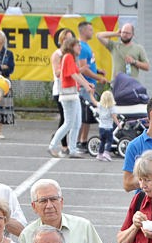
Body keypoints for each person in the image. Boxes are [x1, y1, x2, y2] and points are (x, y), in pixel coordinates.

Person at [17, 178, 107, 243]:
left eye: (54, 199)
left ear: (61, 202)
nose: (49, 205)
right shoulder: (27, 235)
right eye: (43, 201)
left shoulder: (83, 227)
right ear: (34, 206)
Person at [47, 36, 99, 159]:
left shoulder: (71, 58)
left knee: (76, 123)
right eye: (77, 45)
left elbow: (78, 73)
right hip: (68, 94)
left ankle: (72, 149)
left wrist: (87, 84)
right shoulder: (68, 57)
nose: (80, 47)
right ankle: (53, 145)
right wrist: (86, 85)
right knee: (69, 122)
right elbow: (73, 74)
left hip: (72, 94)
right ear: (71, 47)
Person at [76, 20, 105, 153]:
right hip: (85, 85)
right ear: (83, 31)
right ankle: (79, 141)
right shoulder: (81, 47)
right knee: (85, 115)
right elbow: (83, 68)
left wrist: (98, 71)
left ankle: (83, 140)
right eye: (89, 30)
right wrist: (99, 78)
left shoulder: (86, 46)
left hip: (91, 85)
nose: (92, 32)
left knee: (88, 115)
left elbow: (89, 65)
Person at [94, 89, 119, 161]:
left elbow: (94, 102)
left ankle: (100, 154)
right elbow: (114, 117)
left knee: (102, 141)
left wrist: (91, 94)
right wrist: (118, 125)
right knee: (109, 141)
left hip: (101, 128)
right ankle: (106, 152)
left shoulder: (100, 106)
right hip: (108, 128)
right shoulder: (112, 108)